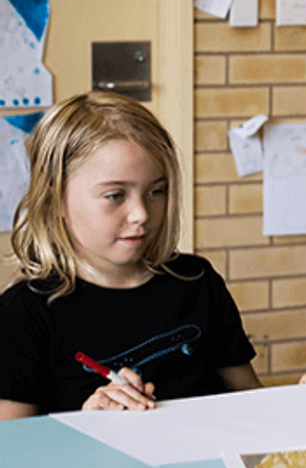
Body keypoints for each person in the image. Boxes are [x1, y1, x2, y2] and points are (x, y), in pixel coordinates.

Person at [0, 91, 262, 419]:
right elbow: (11, 454)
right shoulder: (22, 314)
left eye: (156, 191)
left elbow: (252, 402)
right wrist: (87, 424)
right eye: (115, 195)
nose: (141, 214)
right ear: (55, 201)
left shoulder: (197, 281)